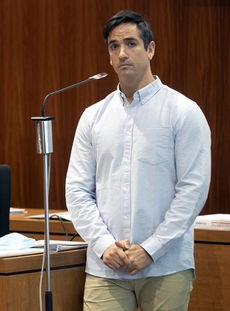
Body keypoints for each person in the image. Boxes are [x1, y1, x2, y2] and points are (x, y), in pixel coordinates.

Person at [65, 10, 211, 310]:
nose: (122, 53)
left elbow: (192, 190)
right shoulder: (94, 116)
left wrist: (150, 248)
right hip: (107, 266)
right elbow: (78, 190)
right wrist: (104, 244)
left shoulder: (183, 111)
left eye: (131, 43)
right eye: (113, 46)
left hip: (165, 265)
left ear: (150, 49)